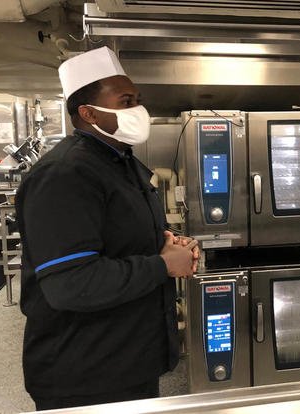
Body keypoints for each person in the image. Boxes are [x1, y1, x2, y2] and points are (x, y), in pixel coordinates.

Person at [15, 46, 199, 410]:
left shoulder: (120, 162)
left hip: (127, 359)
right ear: (87, 112)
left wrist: (165, 244)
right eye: (126, 100)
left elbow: (119, 239)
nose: (138, 110)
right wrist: (163, 265)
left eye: (137, 100)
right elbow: (71, 284)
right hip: (85, 373)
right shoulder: (65, 175)